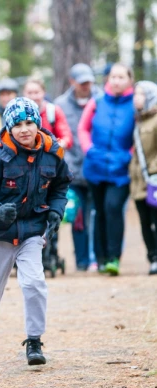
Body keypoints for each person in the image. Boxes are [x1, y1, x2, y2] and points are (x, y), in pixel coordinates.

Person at [0, 97, 72, 366]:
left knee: (34, 283)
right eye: (18, 125)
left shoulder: (53, 154)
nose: (25, 129)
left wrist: (56, 211)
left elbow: (61, 186)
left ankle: (34, 341)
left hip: (33, 231)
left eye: (29, 123)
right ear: (8, 128)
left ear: (37, 124)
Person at [78, 63, 135, 275]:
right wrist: (89, 149)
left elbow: (140, 133)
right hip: (96, 166)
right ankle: (100, 258)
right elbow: (83, 128)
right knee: (99, 211)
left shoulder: (134, 105)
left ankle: (114, 257)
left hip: (122, 170)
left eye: (121, 77)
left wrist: (129, 154)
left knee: (113, 208)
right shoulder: (97, 101)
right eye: (113, 77)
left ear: (129, 79)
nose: (117, 81)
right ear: (108, 79)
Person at [54, 63, 102, 271]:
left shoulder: (102, 100)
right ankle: (82, 260)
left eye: (88, 81)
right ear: (72, 82)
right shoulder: (61, 105)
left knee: (100, 215)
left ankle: (100, 258)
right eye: (81, 82)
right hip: (72, 171)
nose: (86, 86)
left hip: (99, 170)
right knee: (78, 217)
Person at [131, 81, 157, 275]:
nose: (136, 98)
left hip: (154, 180)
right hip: (139, 182)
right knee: (144, 222)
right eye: (135, 94)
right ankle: (152, 257)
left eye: (140, 94)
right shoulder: (139, 120)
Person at [23, 76, 74, 149]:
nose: (33, 97)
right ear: (24, 93)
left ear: (44, 93)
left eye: (36, 92)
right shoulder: (19, 114)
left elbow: (66, 138)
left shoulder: (53, 111)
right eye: (29, 93)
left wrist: (53, 147)